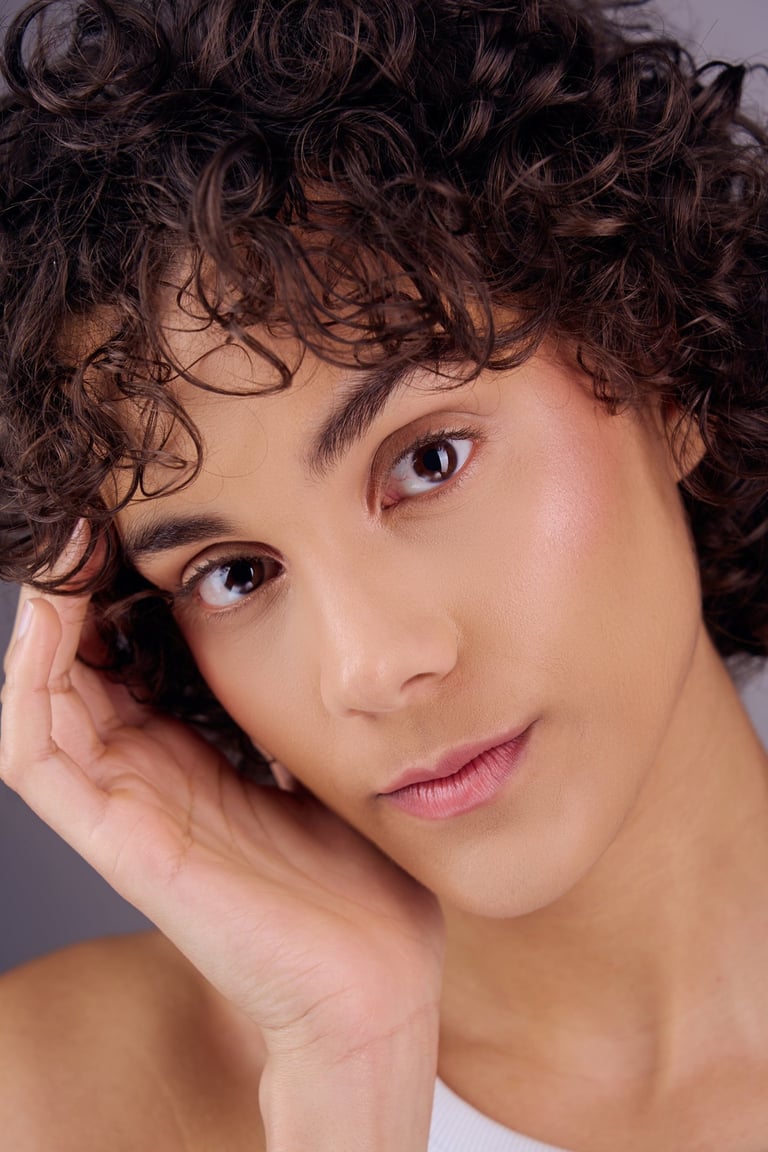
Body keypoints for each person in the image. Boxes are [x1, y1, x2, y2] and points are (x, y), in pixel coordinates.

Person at [0, 0, 766, 1147]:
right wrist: (348, 1074)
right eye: (236, 574)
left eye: (428, 461)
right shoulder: (53, 1101)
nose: (371, 667)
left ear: (662, 370)